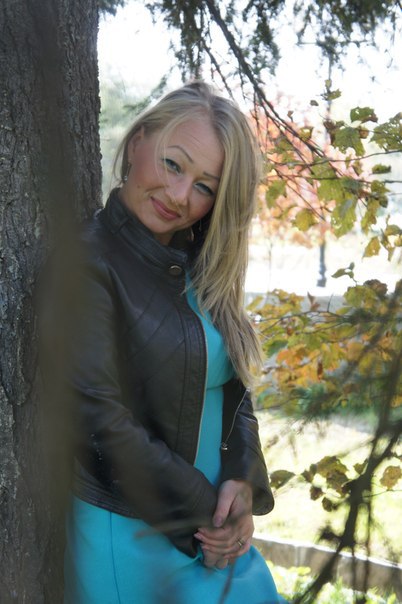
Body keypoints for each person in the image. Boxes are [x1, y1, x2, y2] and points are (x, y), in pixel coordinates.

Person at [62, 81, 284, 603]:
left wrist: (243, 479)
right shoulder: (87, 264)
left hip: (214, 532)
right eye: (173, 164)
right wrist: (206, 513)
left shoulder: (200, 266)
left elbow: (232, 388)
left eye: (205, 186)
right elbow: (97, 417)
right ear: (138, 141)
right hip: (133, 533)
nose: (181, 196)